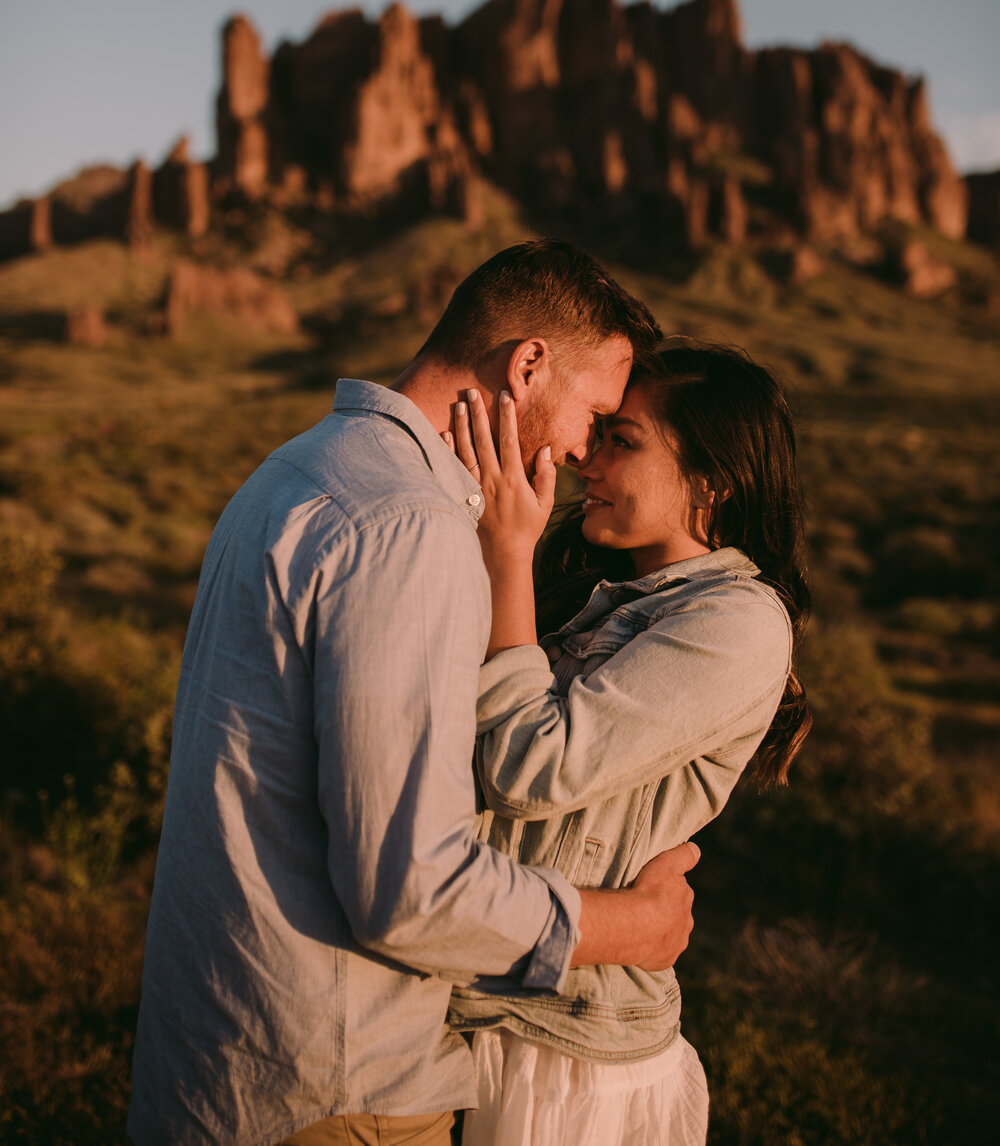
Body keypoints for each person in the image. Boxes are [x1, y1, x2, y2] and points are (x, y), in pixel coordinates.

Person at [127, 241, 703, 1146]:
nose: (586, 451)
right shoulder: (411, 526)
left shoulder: (296, 468)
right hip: (333, 1085)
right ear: (526, 366)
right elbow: (408, 885)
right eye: (593, 413)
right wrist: (631, 926)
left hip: (213, 1057)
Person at [444, 341, 811, 1146]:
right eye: (599, 434)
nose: (590, 461)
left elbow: (528, 765)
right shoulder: (610, 598)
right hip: (498, 1012)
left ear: (712, 480)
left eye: (625, 442)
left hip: (566, 1058)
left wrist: (505, 551)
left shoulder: (739, 623)